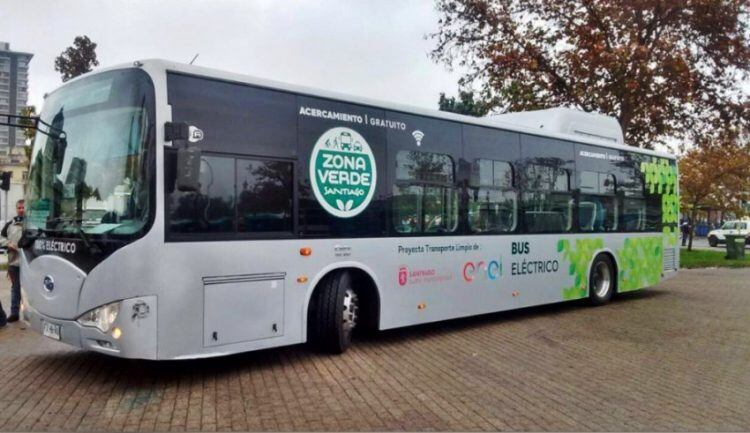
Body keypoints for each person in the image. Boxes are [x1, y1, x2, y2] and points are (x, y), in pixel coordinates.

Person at [2, 199, 25, 323]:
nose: (21, 210)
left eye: (23, 207)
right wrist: (8, 243)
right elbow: (1, 237)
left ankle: (31, 315)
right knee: (15, 288)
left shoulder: (33, 223)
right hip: (14, 263)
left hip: (30, 264)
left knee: (30, 290)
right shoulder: (10, 224)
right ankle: (14, 313)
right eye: (19, 208)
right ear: (16, 209)